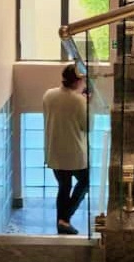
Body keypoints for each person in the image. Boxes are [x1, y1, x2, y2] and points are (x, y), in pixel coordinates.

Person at [43, 63, 89, 235]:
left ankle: (62, 224)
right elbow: (87, 126)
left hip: (54, 151)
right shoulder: (79, 100)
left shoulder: (48, 94)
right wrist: (87, 103)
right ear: (77, 81)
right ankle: (65, 219)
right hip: (74, 153)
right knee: (85, 182)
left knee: (64, 187)